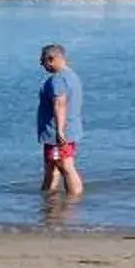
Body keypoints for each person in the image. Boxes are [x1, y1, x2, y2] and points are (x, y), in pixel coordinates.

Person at [35, 44, 83, 199]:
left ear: (52, 59)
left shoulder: (58, 80)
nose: (41, 65)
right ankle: (47, 200)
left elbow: (59, 104)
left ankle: (74, 200)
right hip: (65, 130)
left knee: (65, 165)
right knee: (51, 167)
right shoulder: (71, 76)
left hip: (59, 133)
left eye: (43, 61)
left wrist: (59, 130)